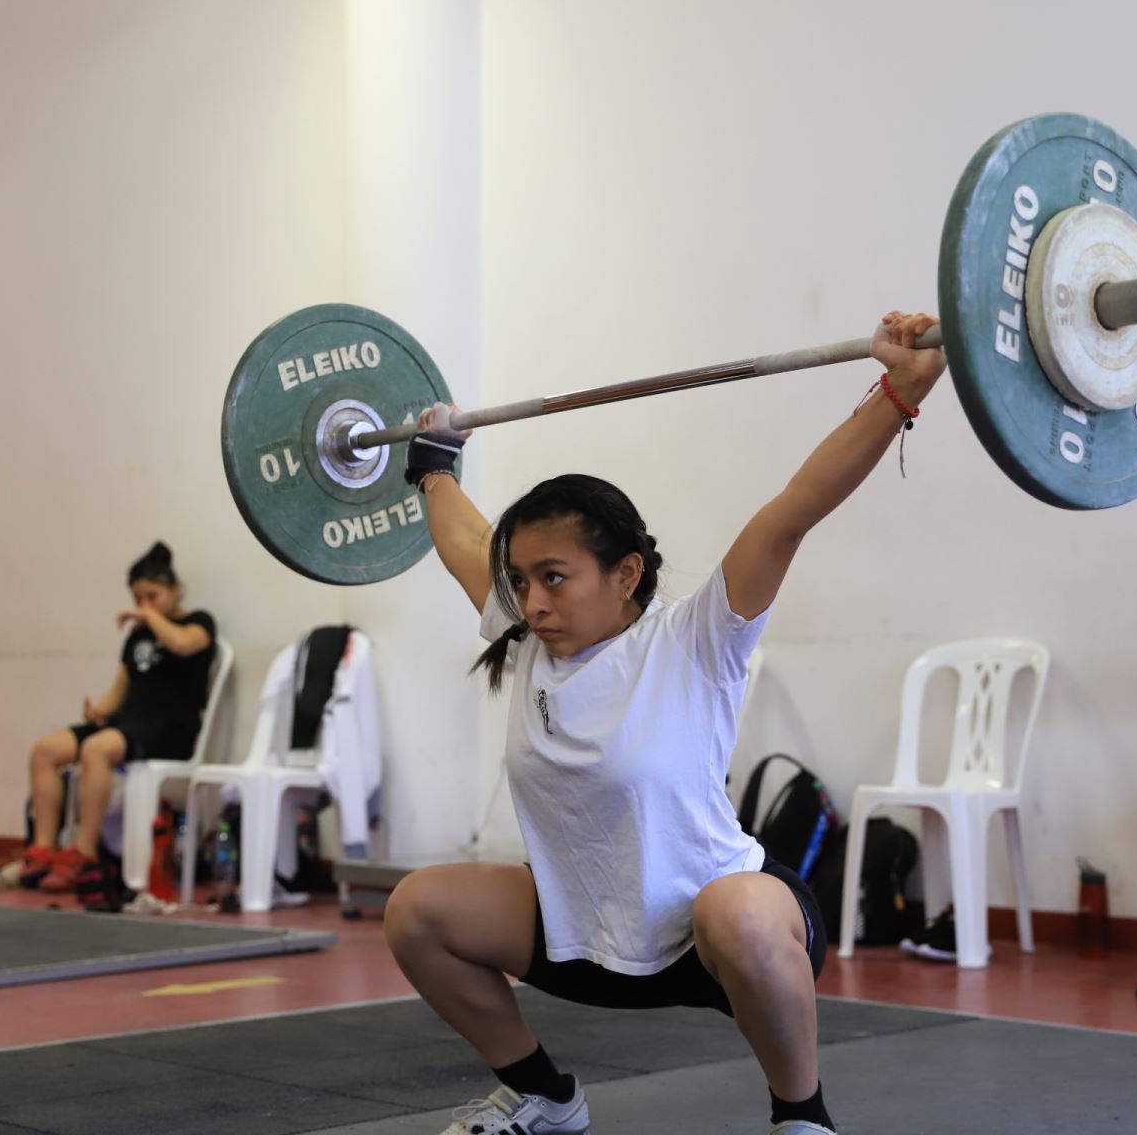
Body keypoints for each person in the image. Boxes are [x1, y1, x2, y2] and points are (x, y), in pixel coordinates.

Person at [383, 311, 946, 1135]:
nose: (532, 600)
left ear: (626, 573)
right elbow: (466, 536)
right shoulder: (534, 635)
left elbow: (792, 511)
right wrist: (433, 463)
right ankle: (543, 1094)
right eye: (520, 580)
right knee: (418, 912)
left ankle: (804, 1118)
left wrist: (898, 391)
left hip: (713, 933)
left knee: (741, 915)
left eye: (554, 577)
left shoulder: (696, 640)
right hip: (585, 932)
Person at [20, 542, 217, 892]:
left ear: (175, 590)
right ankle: (44, 849)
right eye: (138, 599)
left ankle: (84, 852)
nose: (143, 607)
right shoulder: (138, 636)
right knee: (45, 751)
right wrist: (99, 711)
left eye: (152, 596)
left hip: (171, 728)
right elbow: (120, 689)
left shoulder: (198, 622)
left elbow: (183, 644)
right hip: (127, 723)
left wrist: (150, 617)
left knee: (96, 750)